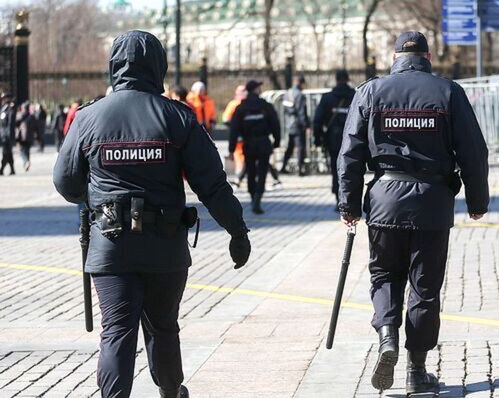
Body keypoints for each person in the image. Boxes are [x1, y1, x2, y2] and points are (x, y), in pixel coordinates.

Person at [53, 30, 251, 398]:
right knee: (163, 326)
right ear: (159, 66)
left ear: (114, 66)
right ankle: (171, 392)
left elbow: (65, 182)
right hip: (165, 243)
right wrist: (237, 231)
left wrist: (96, 199)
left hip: (111, 243)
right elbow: (212, 184)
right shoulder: (177, 116)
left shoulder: (88, 117)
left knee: (117, 330)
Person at [337, 31, 489, 395]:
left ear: (394, 58)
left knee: (385, 275)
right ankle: (416, 370)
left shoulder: (370, 92)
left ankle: (387, 335)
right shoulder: (448, 92)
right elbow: (473, 150)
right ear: (428, 57)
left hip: (385, 200)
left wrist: (349, 204)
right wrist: (477, 202)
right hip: (432, 202)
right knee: (425, 286)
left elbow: (350, 153)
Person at [228, 79, 281, 215]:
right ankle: (258, 198)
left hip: (249, 143)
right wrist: (277, 141)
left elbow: (234, 130)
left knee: (251, 172)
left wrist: (231, 149)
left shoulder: (241, 108)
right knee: (262, 172)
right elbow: (275, 124)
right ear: (256, 90)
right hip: (263, 142)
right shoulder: (265, 106)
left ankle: (253, 197)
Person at [313, 69, 355, 207]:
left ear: (336, 80)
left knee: (336, 169)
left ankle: (339, 199)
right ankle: (351, 200)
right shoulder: (355, 96)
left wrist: (317, 139)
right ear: (348, 79)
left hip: (333, 139)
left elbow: (317, 120)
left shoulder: (327, 98)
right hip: (353, 140)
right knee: (353, 169)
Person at [280, 74, 309, 175]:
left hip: (289, 124)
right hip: (298, 125)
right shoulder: (299, 95)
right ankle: (300, 169)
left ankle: (283, 166)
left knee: (290, 147)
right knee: (300, 147)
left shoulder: (287, 94)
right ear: (301, 83)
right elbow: (301, 112)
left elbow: (285, 110)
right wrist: (306, 125)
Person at [15, 102, 33, 172]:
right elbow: (36, 126)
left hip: (22, 136)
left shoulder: (20, 115)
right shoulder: (32, 116)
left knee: (22, 150)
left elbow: (15, 123)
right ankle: (26, 163)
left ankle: (26, 161)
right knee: (27, 150)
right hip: (30, 136)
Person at [0, 93, 15, 175]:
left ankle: (1, 169)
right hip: (3, 134)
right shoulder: (3, 108)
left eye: (4, 98)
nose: (2, 100)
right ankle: (12, 169)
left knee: (5, 152)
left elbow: (10, 124)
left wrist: (8, 135)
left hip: (6, 135)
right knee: (8, 153)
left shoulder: (10, 109)